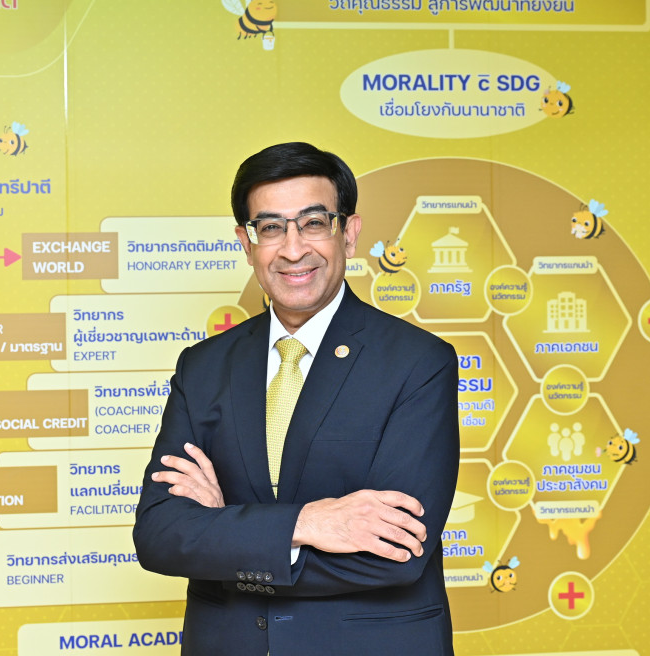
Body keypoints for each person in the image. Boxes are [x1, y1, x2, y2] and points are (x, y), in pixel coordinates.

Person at [133, 142, 460, 655]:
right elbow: (159, 535)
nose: (292, 249)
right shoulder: (203, 368)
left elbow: (398, 551)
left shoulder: (418, 363)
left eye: (313, 223)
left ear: (348, 233)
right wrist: (310, 524)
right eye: (270, 228)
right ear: (246, 243)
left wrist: (223, 533)